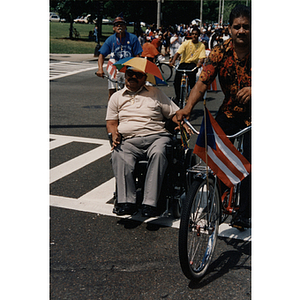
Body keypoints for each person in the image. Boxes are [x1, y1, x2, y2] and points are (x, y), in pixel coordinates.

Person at [176, 4, 251, 228]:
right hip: (230, 110)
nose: (241, 31)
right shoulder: (220, 51)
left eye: (246, 27)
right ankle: (215, 199)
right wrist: (187, 107)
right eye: (237, 26)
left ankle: (244, 211)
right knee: (213, 149)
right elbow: (202, 82)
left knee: (252, 159)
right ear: (229, 29)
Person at [106, 67, 181, 217]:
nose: (133, 77)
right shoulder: (116, 97)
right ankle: (126, 202)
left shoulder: (155, 93)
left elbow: (173, 113)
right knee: (118, 154)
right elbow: (112, 122)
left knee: (160, 153)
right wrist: (114, 134)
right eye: (130, 74)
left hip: (156, 136)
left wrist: (181, 122)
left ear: (144, 77)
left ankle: (150, 203)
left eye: (137, 75)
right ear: (125, 75)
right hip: (129, 139)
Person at [96, 16, 143, 99]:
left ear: (125, 27)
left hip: (128, 69)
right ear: (114, 28)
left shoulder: (133, 38)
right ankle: (112, 109)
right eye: (116, 25)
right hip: (115, 68)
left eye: (121, 24)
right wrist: (100, 69)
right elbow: (102, 55)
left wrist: (136, 69)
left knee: (130, 92)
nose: (119, 26)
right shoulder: (111, 39)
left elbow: (137, 55)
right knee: (112, 92)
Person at [169, 27, 206, 103]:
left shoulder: (201, 45)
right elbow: (178, 53)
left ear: (198, 35)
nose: (194, 36)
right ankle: (178, 97)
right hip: (183, 64)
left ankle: (192, 98)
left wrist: (199, 64)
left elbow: (202, 58)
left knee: (192, 83)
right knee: (176, 81)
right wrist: (173, 61)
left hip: (193, 65)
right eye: (193, 34)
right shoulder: (186, 43)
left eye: (196, 34)